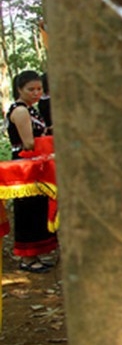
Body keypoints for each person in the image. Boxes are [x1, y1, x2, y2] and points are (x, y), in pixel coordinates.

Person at [6, 70, 58, 273]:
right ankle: (27, 258)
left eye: (39, 89)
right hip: (25, 166)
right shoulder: (20, 111)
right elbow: (28, 143)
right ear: (19, 90)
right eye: (31, 89)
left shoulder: (31, 109)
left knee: (38, 209)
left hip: (36, 164)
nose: (36, 93)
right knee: (28, 210)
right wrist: (50, 141)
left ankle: (35, 254)